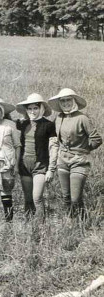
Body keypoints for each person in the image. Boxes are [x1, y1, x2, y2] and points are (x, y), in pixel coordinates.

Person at [48, 88, 102, 219]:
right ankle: (71, 223)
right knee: (66, 196)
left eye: (68, 100)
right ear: (59, 104)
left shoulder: (82, 118)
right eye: (63, 101)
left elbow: (97, 139)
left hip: (79, 161)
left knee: (75, 198)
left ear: (74, 101)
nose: (66, 103)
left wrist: (83, 151)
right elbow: (56, 139)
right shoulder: (59, 118)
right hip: (63, 161)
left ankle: (83, 222)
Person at [15, 93, 56, 221]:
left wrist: (51, 169)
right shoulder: (22, 124)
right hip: (24, 165)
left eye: (35, 108)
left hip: (40, 165)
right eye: (30, 108)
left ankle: (40, 227)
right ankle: (29, 227)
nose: (32, 111)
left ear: (41, 109)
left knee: (37, 197)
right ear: (26, 110)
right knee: (27, 199)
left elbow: (53, 147)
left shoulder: (48, 125)